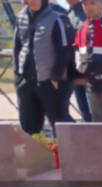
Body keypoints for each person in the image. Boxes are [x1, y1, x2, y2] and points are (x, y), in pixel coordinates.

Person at [14, 0, 74, 135]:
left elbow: (63, 50)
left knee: (60, 124)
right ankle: (34, 156)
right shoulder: (21, 17)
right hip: (26, 80)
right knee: (28, 126)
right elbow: (17, 46)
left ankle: (68, 154)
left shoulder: (56, 18)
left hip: (49, 80)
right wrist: (17, 73)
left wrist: (55, 77)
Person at [61, 0, 91, 122]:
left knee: (91, 112)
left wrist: (83, 73)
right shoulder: (69, 14)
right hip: (74, 70)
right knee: (85, 111)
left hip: (85, 71)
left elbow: (87, 44)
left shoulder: (84, 13)